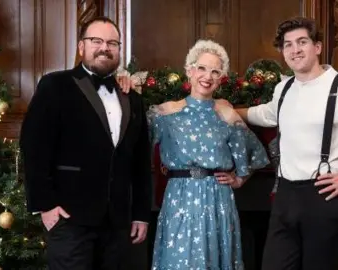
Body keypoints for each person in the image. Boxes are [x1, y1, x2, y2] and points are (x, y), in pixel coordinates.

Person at [234, 17, 338, 269]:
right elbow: (268, 114)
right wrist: (226, 109)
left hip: (323, 197)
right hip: (285, 196)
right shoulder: (285, 87)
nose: (295, 50)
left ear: (318, 47)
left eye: (302, 42)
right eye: (288, 45)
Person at [20, 16, 152, 270]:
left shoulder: (132, 98)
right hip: (69, 218)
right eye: (97, 41)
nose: (105, 47)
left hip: (117, 222)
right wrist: (45, 206)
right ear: (81, 47)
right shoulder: (55, 85)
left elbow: (139, 161)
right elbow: (33, 147)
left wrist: (140, 214)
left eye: (112, 43)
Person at [147, 39, 270, 269]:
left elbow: (256, 154)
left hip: (218, 200)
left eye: (215, 71)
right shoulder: (164, 113)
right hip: (179, 199)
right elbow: (134, 151)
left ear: (221, 78)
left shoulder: (226, 114)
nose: (207, 76)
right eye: (202, 68)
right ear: (189, 71)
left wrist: (240, 178)